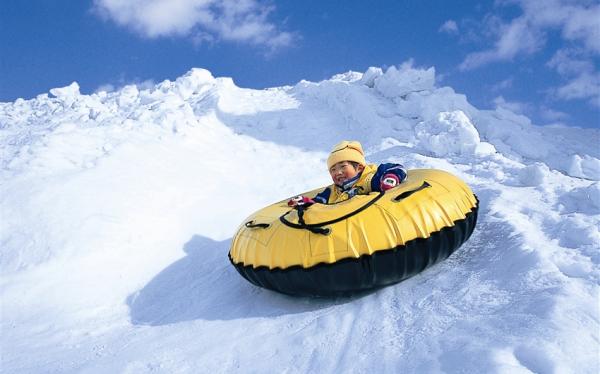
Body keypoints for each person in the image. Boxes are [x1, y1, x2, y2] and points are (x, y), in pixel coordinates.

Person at [288, 140, 407, 208]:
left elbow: (396, 168)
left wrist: (390, 178)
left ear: (359, 167)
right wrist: (305, 202)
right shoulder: (333, 192)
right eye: (333, 170)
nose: (338, 172)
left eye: (343, 167)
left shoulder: (370, 179)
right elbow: (318, 203)